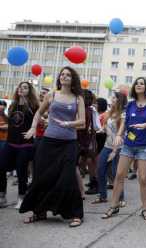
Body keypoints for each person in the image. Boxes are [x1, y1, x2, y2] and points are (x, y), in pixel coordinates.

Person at [19, 66, 86, 227]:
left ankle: (76, 214)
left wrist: (68, 123)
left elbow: (82, 122)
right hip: (48, 142)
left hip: (68, 143)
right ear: (59, 78)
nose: (64, 77)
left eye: (68, 75)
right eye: (62, 74)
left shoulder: (78, 98)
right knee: (41, 177)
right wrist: (33, 127)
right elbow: (38, 113)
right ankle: (39, 212)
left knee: (67, 178)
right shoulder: (52, 94)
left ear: (73, 79)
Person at [102, 77, 146, 220]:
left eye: (142, 83)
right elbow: (124, 123)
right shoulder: (130, 105)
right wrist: (118, 135)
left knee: (142, 178)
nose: (139, 85)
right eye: (137, 83)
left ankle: (145, 209)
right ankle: (114, 206)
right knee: (119, 175)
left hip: (145, 147)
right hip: (128, 145)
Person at [0, 82, 39, 209]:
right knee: (1, 167)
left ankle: (22, 197)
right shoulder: (13, 105)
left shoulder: (33, 106)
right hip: (10, 142)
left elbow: (38, 120)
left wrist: (32, 130)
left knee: (21, 171)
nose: (21, 89)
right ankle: (2, 196)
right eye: (20, 87)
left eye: (25, 87)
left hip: (25, 144)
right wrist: (2, 116)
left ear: (29, 90)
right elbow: (11, 123)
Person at [93, 92, 127, 204]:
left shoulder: (122, 115)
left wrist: (114, 151)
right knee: (100, 169)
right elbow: (105, 128)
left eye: (113, 98)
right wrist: (101, 129)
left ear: (119, 100)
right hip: (107, 146)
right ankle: (103, 196)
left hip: (119, 147)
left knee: (117, 173)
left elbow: (120, 133)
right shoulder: (109, 113)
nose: (111, 99)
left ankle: (120, 198)